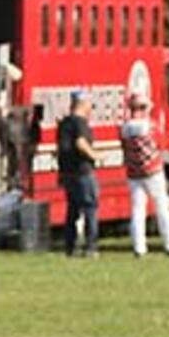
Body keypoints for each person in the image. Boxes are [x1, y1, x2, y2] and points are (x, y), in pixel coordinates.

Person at [119, 93, 169, 257]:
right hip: (153, 172)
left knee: (138, 210)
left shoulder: (124, 129)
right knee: (162, 207)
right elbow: (161, 145)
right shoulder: (151, 127)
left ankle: (139, 247)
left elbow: (123, 147)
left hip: (134, 174)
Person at [58, 90, 99, 257]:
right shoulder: (80, 123)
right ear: (83, 104)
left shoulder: (64, 123)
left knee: (72, 211)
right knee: (90, 208)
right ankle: (90, 246)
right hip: (83, 171)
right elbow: (80, 143)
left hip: (68, 172)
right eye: (89, 104)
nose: (91, 107)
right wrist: (95, 155)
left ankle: (70, 246)